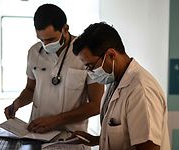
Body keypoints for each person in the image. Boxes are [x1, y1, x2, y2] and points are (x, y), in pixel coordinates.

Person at [4, 3, 104, 145]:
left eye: (50, 40)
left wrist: (57, 120)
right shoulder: (34, 52)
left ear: (65, 29)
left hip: (70, 137)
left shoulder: (86, 54)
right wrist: (17, 103)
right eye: (41, 39)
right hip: (36, 133)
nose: (45, 45)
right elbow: (30, 89)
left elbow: (96, 104)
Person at [68, 22, 171, 150]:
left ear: (111, 55)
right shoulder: (114, 82)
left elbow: (148, 147)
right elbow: (125, 136)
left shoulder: (140, 90)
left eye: (90, 66)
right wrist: (96, 140)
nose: (90, 73)